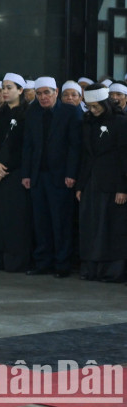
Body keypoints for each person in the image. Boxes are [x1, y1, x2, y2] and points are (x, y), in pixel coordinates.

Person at [22, 76, 82, 278]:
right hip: (38, 176)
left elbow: (75, 146)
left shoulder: (70, 112)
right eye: (39, 94)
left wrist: (71, 174)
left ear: (56, 92)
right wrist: (27, 174)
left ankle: (62, 264)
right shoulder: (32, 113)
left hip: (61, 176)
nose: (43, 97)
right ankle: (43, 262)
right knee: (41, 222)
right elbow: (28, 146)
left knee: (60, 222)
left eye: (46, 92)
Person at [76, 84, 127, 282]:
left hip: (113, 183)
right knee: (91, 226)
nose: (93, 111)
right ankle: (91, 269)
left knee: (111, 228)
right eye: (90, 107)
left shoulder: (121, 122)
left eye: (97, 107)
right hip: (91, 182)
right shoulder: (88, 122)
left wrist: (123, 188)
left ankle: (112, 271)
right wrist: (80, 185)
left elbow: (124, 157)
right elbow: (85, 156)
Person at [0, 73, 32, 272]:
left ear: (20, 90)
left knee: (14, 219)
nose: (4, 91)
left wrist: (6, 167)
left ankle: (15, 261)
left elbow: (26, 146)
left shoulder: (28, 114)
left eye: (9, 88)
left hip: (15, 173)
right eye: (3, 88)